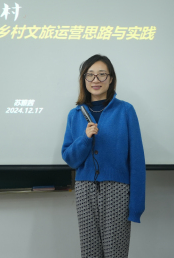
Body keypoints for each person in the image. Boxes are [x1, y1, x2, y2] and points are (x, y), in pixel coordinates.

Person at [61, 54, 146, 258]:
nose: (95, 80)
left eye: (101, 74)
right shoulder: (75, 114)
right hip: (84, 190)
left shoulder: (125, 111)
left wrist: (136, 206)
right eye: (90, 75)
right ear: (84, 79)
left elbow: (137, 161)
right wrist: (85, 138)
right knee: (89, 253)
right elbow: (70, 158)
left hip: (117, 190)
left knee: (115, 253)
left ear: (111, 78)